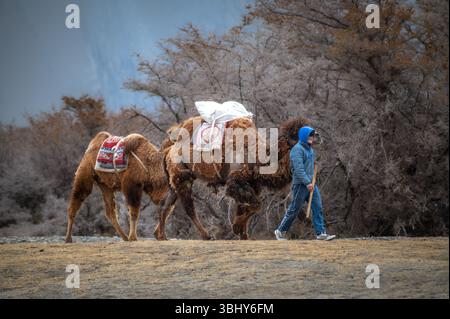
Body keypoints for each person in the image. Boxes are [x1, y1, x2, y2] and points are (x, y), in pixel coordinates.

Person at [274, 126, 336, 241]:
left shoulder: (310, 149)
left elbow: (308, 166)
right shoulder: (297, 150)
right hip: (300, 185)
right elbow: (298, 169)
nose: (311, 137)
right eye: (309, 135)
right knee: (294, 209)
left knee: (317, 206)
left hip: (310, 184)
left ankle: (320, 233)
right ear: (303, 136)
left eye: (312, 135)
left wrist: (313, 171)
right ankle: (280, 231)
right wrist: (307, 182)